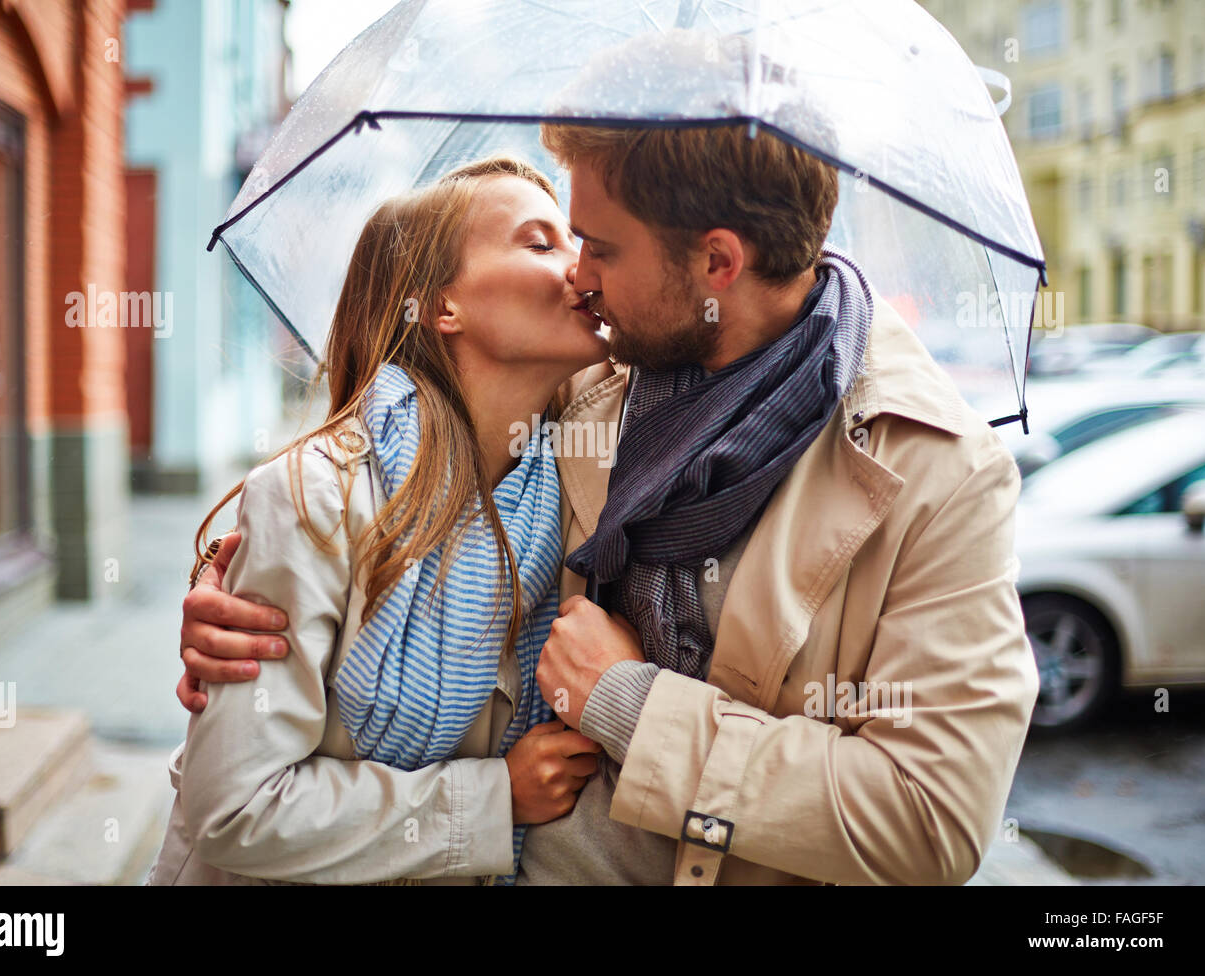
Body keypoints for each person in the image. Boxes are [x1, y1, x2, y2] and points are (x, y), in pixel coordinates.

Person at [178, 32, 1039, 885]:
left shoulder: (939, 476)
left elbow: (932, 821)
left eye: (599, 246)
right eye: (557, 240)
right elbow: (409, 485)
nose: (579, 277)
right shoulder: (587, 383)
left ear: (716, 261)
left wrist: (631, 703)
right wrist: (247, 602)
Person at [148, 155, 608, 886]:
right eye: (539, 242)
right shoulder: (315, 498)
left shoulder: (577, 491)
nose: (581, 269)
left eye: (581, 244)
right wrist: (493, 802)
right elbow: (234, 808)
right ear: (440, 306)